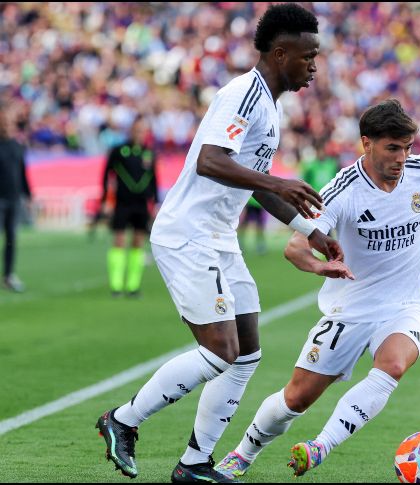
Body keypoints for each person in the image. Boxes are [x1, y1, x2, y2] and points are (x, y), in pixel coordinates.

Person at [95, 4, 342, 483]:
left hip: (219, 237)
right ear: (280, 53)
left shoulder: (270, 105)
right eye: (308, 56)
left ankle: (194, 463)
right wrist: (276, 181)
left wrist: (313, 232)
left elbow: (255, 186)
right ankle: (122, 420)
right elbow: (210, 160)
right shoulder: (243, 95)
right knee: (220, 350)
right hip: (188, 233)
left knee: (246, 353)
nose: (314, 65)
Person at [213, 99, 420, 480]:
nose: (402, 157)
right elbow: (295, 247)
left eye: (407, 147)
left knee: (393, 365)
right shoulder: (342, 190)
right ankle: (243, 453)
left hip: (407, 304)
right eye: (392, 148)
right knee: (296, 397)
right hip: (351, 307)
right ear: (367, 143)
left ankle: (321, 446)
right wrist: (320, 265)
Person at [99, 117, 158, 297]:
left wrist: (155, 202)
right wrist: (105, 199)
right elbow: (106, 174)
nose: (139, 134)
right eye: (136, 130)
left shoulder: (149, 153)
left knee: (138, 242)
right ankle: (116, 285)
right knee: (119, 240)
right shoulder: (119, 150)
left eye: (142, 131)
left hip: (141, 204)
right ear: (131, 131)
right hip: (122, 203)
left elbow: (154, 178)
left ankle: (133, 286)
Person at [0, 109, 31, 293]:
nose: (6, 126)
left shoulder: (18, 147)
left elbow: (22, 172)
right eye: (3, 123)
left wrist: (28, 195)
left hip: (14, 198)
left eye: (8, 123)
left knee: (11, 238)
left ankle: (9, 275)